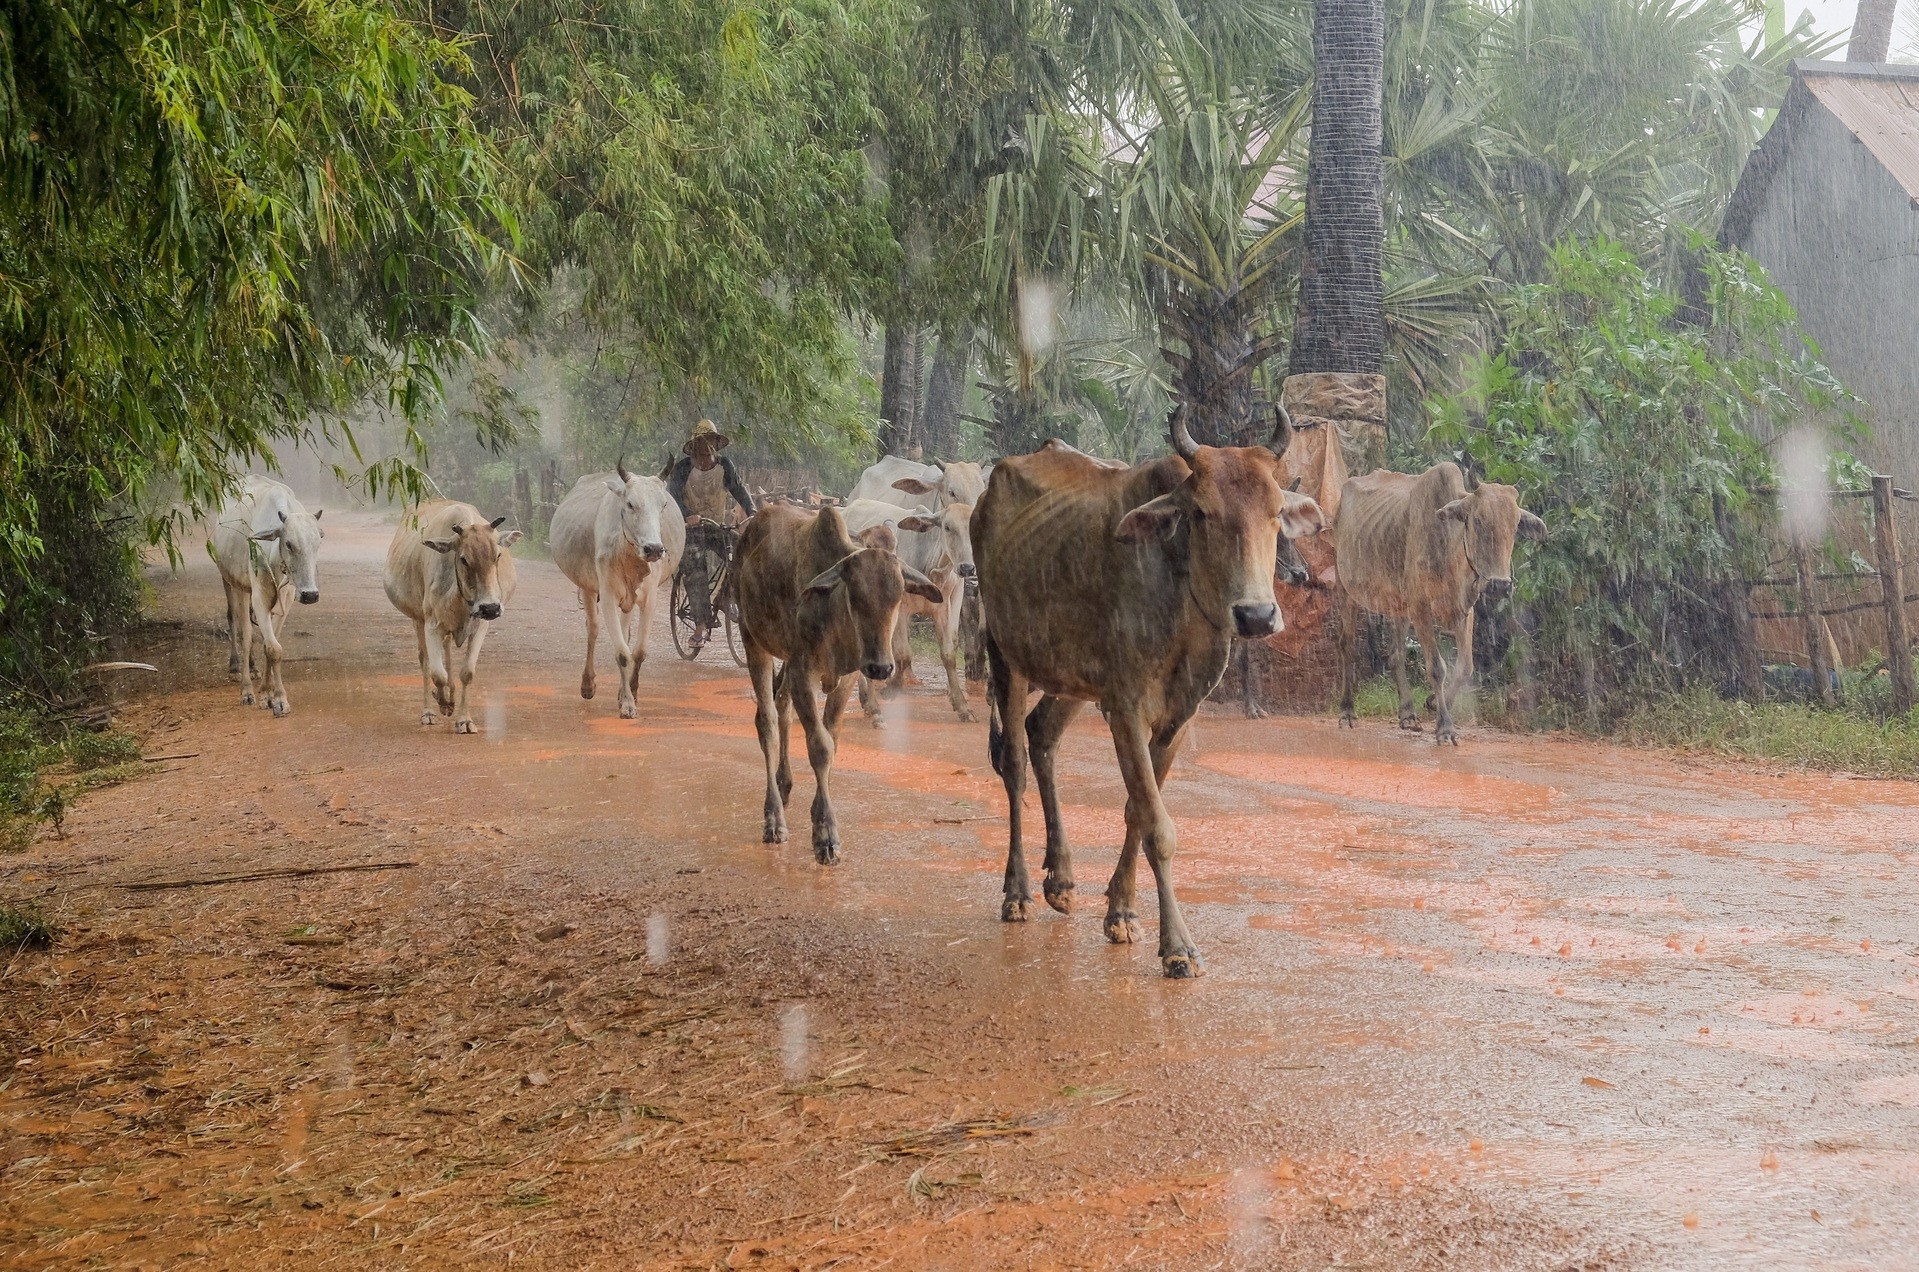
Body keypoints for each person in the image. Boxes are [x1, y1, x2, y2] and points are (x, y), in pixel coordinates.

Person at [665, 419, 757, 630]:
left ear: (715, 448)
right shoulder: (681, 470)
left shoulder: (725, 466)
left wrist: (752, 511)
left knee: (742, 556)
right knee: (696, 570)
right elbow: (674, 499)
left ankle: (725, 597)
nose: (705, 457)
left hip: (716, 526)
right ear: (693, 451)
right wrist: (688, 514)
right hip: (690, 531)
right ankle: (701, 623)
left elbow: (739, 490)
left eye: (709, 450)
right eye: (700, 451)